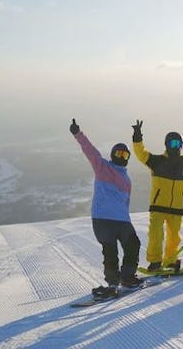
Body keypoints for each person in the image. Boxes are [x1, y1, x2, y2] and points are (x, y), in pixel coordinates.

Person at [70, 118, 141, 298]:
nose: (121, 157)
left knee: (133, 244)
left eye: (125, 155)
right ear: (112, 154)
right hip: (103, 219)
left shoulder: (127, 180)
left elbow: (126, 203)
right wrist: (78, 134)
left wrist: (127, 219)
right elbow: (90, 151)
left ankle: (126, 277)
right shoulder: (102, 167)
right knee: (111, 251)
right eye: (118, 154)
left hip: (121, 220)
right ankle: (112, 283)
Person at [131, 120, 183, 272]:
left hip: (177, 207)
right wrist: (137, 138)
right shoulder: (157, 161)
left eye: (178, 144)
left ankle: (171, 261)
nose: (176, 147)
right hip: (158, 206)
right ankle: (155, 262)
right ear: (166, 145)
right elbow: (141, 154)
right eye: (172, 144)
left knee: (174, 237)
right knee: (156, 235)